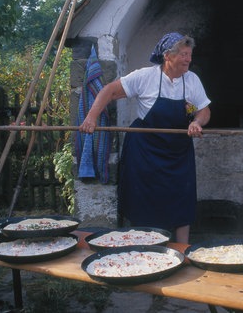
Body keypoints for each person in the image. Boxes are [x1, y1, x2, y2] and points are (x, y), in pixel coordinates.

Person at [79, 32, 211, 244]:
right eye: (184, 54)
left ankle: (182, 249)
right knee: (144, 200)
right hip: (146, 151)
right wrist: (91, 117)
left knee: (182, 199)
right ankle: (145, 247)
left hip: (178, 151)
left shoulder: (192, 80)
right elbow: (109, 91)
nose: (189, 59)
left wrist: (196, 121)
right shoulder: (145, 76)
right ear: (168, 56)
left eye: (190, 54)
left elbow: (203, 110)